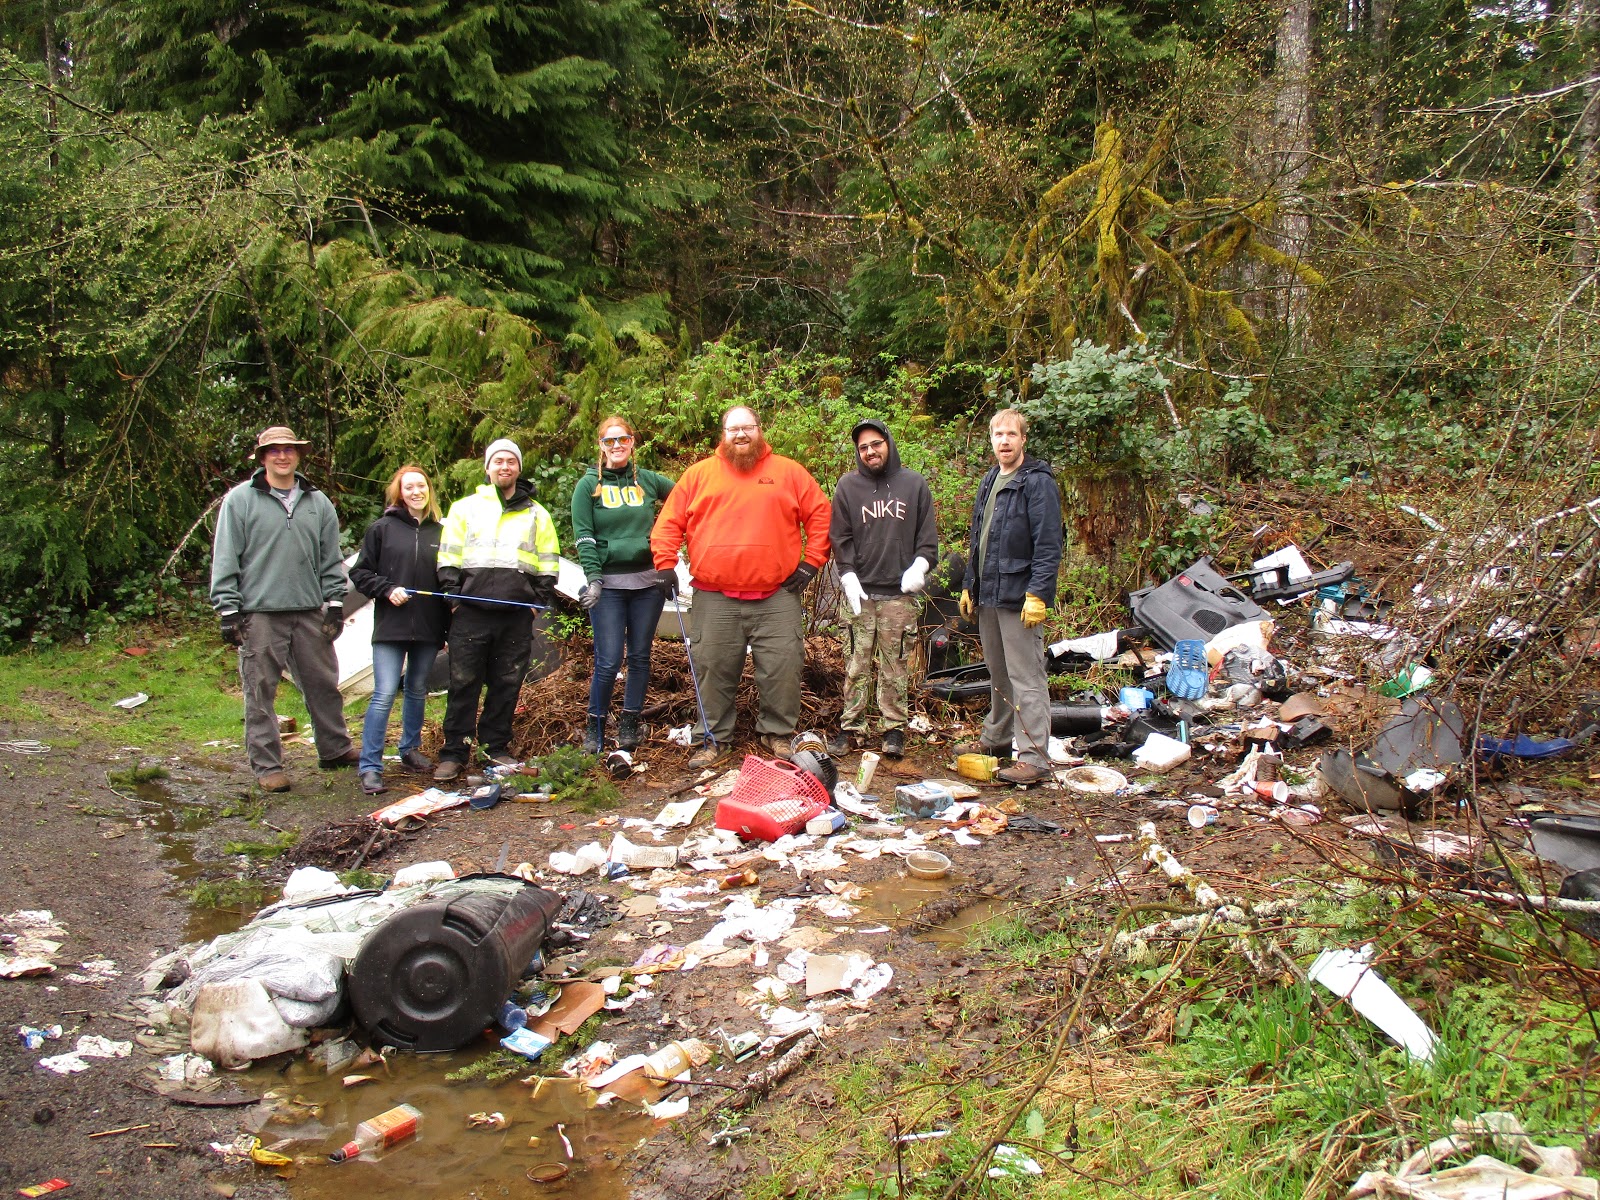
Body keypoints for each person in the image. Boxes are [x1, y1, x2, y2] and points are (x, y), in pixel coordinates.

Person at [650, 405, 831, 769]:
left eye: (747, 427)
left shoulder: (789, 473)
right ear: (723, 433)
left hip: (777, 596)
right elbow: (668, 523)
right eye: (734, 429)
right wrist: (665, 564)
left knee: (783, 667)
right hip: (714, 597)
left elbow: (821, 515)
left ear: (759, 430)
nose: (741, 435)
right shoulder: (699, 475)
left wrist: (812, 562)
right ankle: (713, 739)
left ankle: (778, 734)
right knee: (712, 668)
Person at [210, 425, 357, 793]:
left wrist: (336, 604)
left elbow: (331, 559)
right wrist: (228, 610)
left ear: (298, 455)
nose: (282, 456)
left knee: (324, 685)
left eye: (289, 450)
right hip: (259, 613)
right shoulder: (240, 500)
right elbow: (226, 557)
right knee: (260, 691)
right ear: (262, 458)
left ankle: (334, 749)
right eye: (273, 450)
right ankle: (267, 766)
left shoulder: (317, 502)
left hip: (310, 611)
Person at [432, 439, 560, 782]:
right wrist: (454, 599)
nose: (505, 467)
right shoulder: (465, 508)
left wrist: (535, 606)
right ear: (487, 468)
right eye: (498, 461)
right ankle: (454, 752)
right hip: (470, 612)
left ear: (518, 468)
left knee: (507, 684)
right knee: (463, 684)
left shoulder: (537, 513)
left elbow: (548, 564)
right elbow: (448, 557)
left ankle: (495, 748)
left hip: (516, 615)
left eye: (511, 461)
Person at [955, 408, 1063, 786]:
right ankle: (996, 741)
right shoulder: (990, 479)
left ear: (1023, 440)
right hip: (989, 593)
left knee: (1026, 676)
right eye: (998, 435)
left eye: (1011, 435)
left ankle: (1035, 758)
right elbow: (980, 538)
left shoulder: (1036, 482)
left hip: (1020, 596)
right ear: (991, 439)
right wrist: (970, 582)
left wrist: (1039, 593)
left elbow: (1049, 543)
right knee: (998, 673)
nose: (1004, 441)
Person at [827, 419, 939, 759]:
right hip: (859, 594)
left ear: (888, 443)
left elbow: (928, 540)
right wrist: (846, 575)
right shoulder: (848, 486)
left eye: (876, 444)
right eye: (863, 447)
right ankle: (851, 728)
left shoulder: (914, 484)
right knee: (855, 665)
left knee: (895, 667)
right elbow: (840, 537)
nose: (870, 452)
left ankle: (893, 730)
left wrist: (920, 566)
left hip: (898, 596)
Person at [572, 416, 675, 755]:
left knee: (641, 655)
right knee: (609, 659)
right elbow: (584, 537)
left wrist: (667, 555)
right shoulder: (587, 486)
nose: (617, 446)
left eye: (623, 440)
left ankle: (630, 721)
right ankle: (596, 725)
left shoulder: (647, 480)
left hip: (647, 583)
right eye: (609, 441)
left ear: (633, 442)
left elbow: (685, 500)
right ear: (600, 446)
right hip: (609, 587)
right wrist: (594, 580)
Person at [349, 465, 451, 795]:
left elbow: (448, 583)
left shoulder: (442, 532)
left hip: (428, 627)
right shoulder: (382, 529)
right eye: (409, 487)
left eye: (421, 486)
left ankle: (409, 749)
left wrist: (446, 631)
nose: (416, 492)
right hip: (391, 628)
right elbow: (360, 574)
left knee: (417, 689)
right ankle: (370, 765)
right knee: (383, 694)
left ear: (429, 490)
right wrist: (386, 588)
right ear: (399, 492)